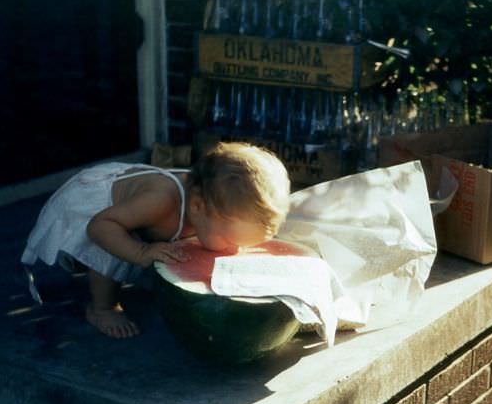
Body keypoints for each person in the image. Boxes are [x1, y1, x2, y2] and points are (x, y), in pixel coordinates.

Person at [21, 142, 291, 339]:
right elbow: (99, 227)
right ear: (196, 207)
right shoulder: (161, 201)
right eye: (228, 239)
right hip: (92, 212)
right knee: (113, 249)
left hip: (125, 215)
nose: (234, 249)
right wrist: (141, 251)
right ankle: (101, 308)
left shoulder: (210, 203)